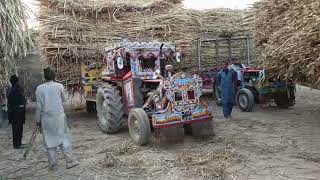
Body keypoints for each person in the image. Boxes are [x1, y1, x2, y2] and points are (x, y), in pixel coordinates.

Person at [35, 68, 79, 171]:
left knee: (49, 141)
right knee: (64, 138)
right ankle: (70, 162)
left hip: (46, 119)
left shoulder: (39, 89)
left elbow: (38, 107)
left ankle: (53, 165)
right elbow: (64, 99)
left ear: (45, 77)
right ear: (54, 76)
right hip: (59, 117)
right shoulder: (59, 86)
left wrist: (37, 121)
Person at [7, 75, 26, 149]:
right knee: (17, 129)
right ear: (16, 81)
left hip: (16, 112)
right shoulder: (15, 89)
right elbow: (17, 101)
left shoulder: (13, 89)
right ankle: (17, 144)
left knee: (18, 128)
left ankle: (18, 143)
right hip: (17, 112)